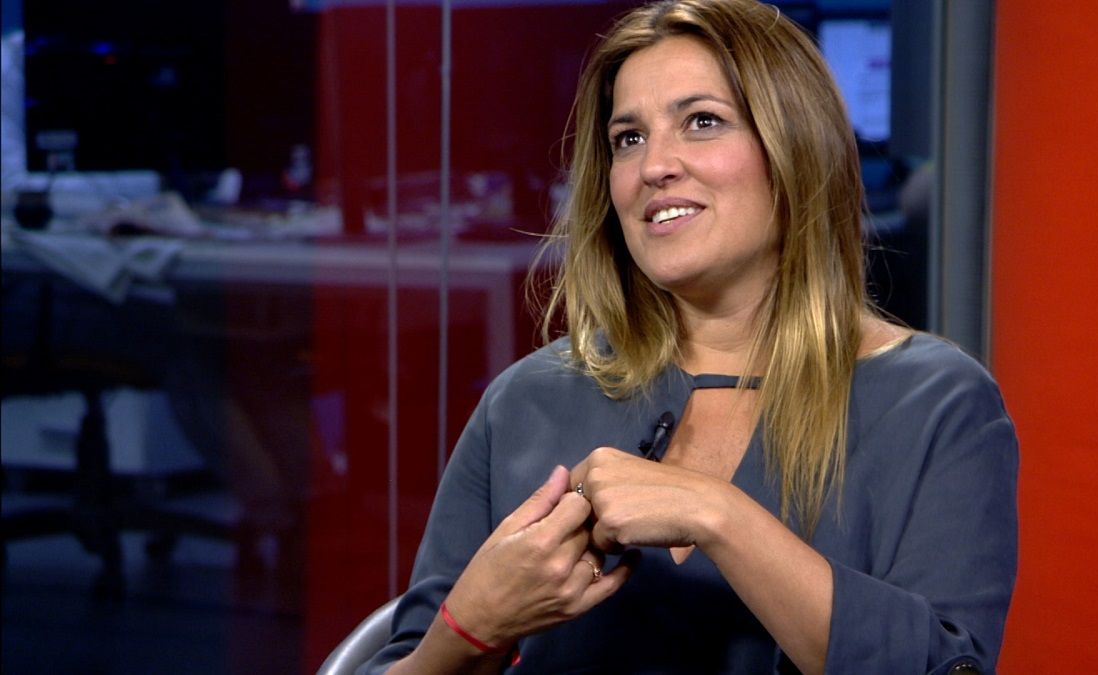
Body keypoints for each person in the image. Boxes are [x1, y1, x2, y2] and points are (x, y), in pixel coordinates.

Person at [360, 0, 1017, 672]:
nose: (655, 166)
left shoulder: (936, 402)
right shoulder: (526, 400)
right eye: (628, 138)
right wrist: (471, 625)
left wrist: (717, 514)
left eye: (702, 121)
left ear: (797, 147)